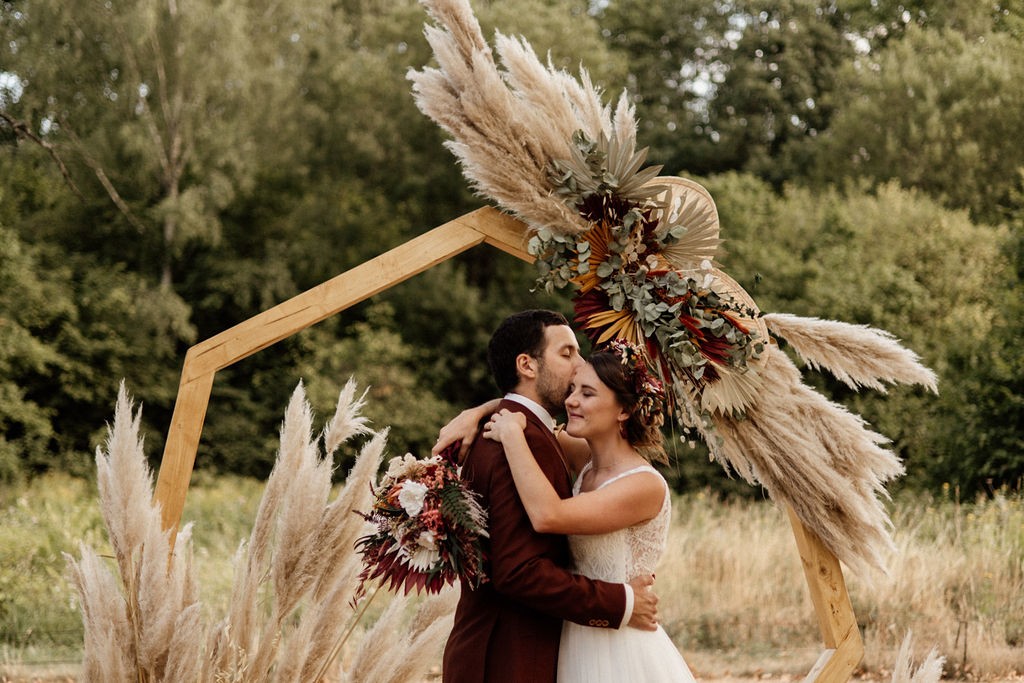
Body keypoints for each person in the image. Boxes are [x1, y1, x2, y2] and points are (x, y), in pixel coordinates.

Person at [447, 338, 696, 682]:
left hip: (620, 644)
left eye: (588, 393)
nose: (571, 400)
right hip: (573, 634)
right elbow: (529, 407)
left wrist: (512, 436)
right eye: (573, 388)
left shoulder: (643, 485)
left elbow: (549, 515)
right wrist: (475, 412)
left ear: (624, 410)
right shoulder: (583, 457)